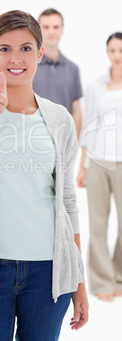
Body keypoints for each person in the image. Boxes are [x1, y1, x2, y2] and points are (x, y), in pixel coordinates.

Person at [0, 10, 89, 340]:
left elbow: (67, 201)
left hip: (49, 271)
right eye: (5, 49)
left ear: (40, 53)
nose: (16, 58)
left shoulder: (58, 118)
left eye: (26, 48)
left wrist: (79, 281)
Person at [78, 32, 122, 302]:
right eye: (113, 51)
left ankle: (119, 276)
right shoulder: (96, 85)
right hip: (97, 160)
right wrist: (82, 166)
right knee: (97, 224)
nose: (117, 56)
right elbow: (88, 124)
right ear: (107, 53)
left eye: (121, 50)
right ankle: (102, 280)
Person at [33, 8, 83, 139]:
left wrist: (73, 145)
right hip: (33, 140)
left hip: (62, 142)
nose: (51, 31)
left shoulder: (73, 69)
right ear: (38, 30)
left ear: (62, 29)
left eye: (55, 27)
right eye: (46, 27)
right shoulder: (27, 66)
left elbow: (76, 111)